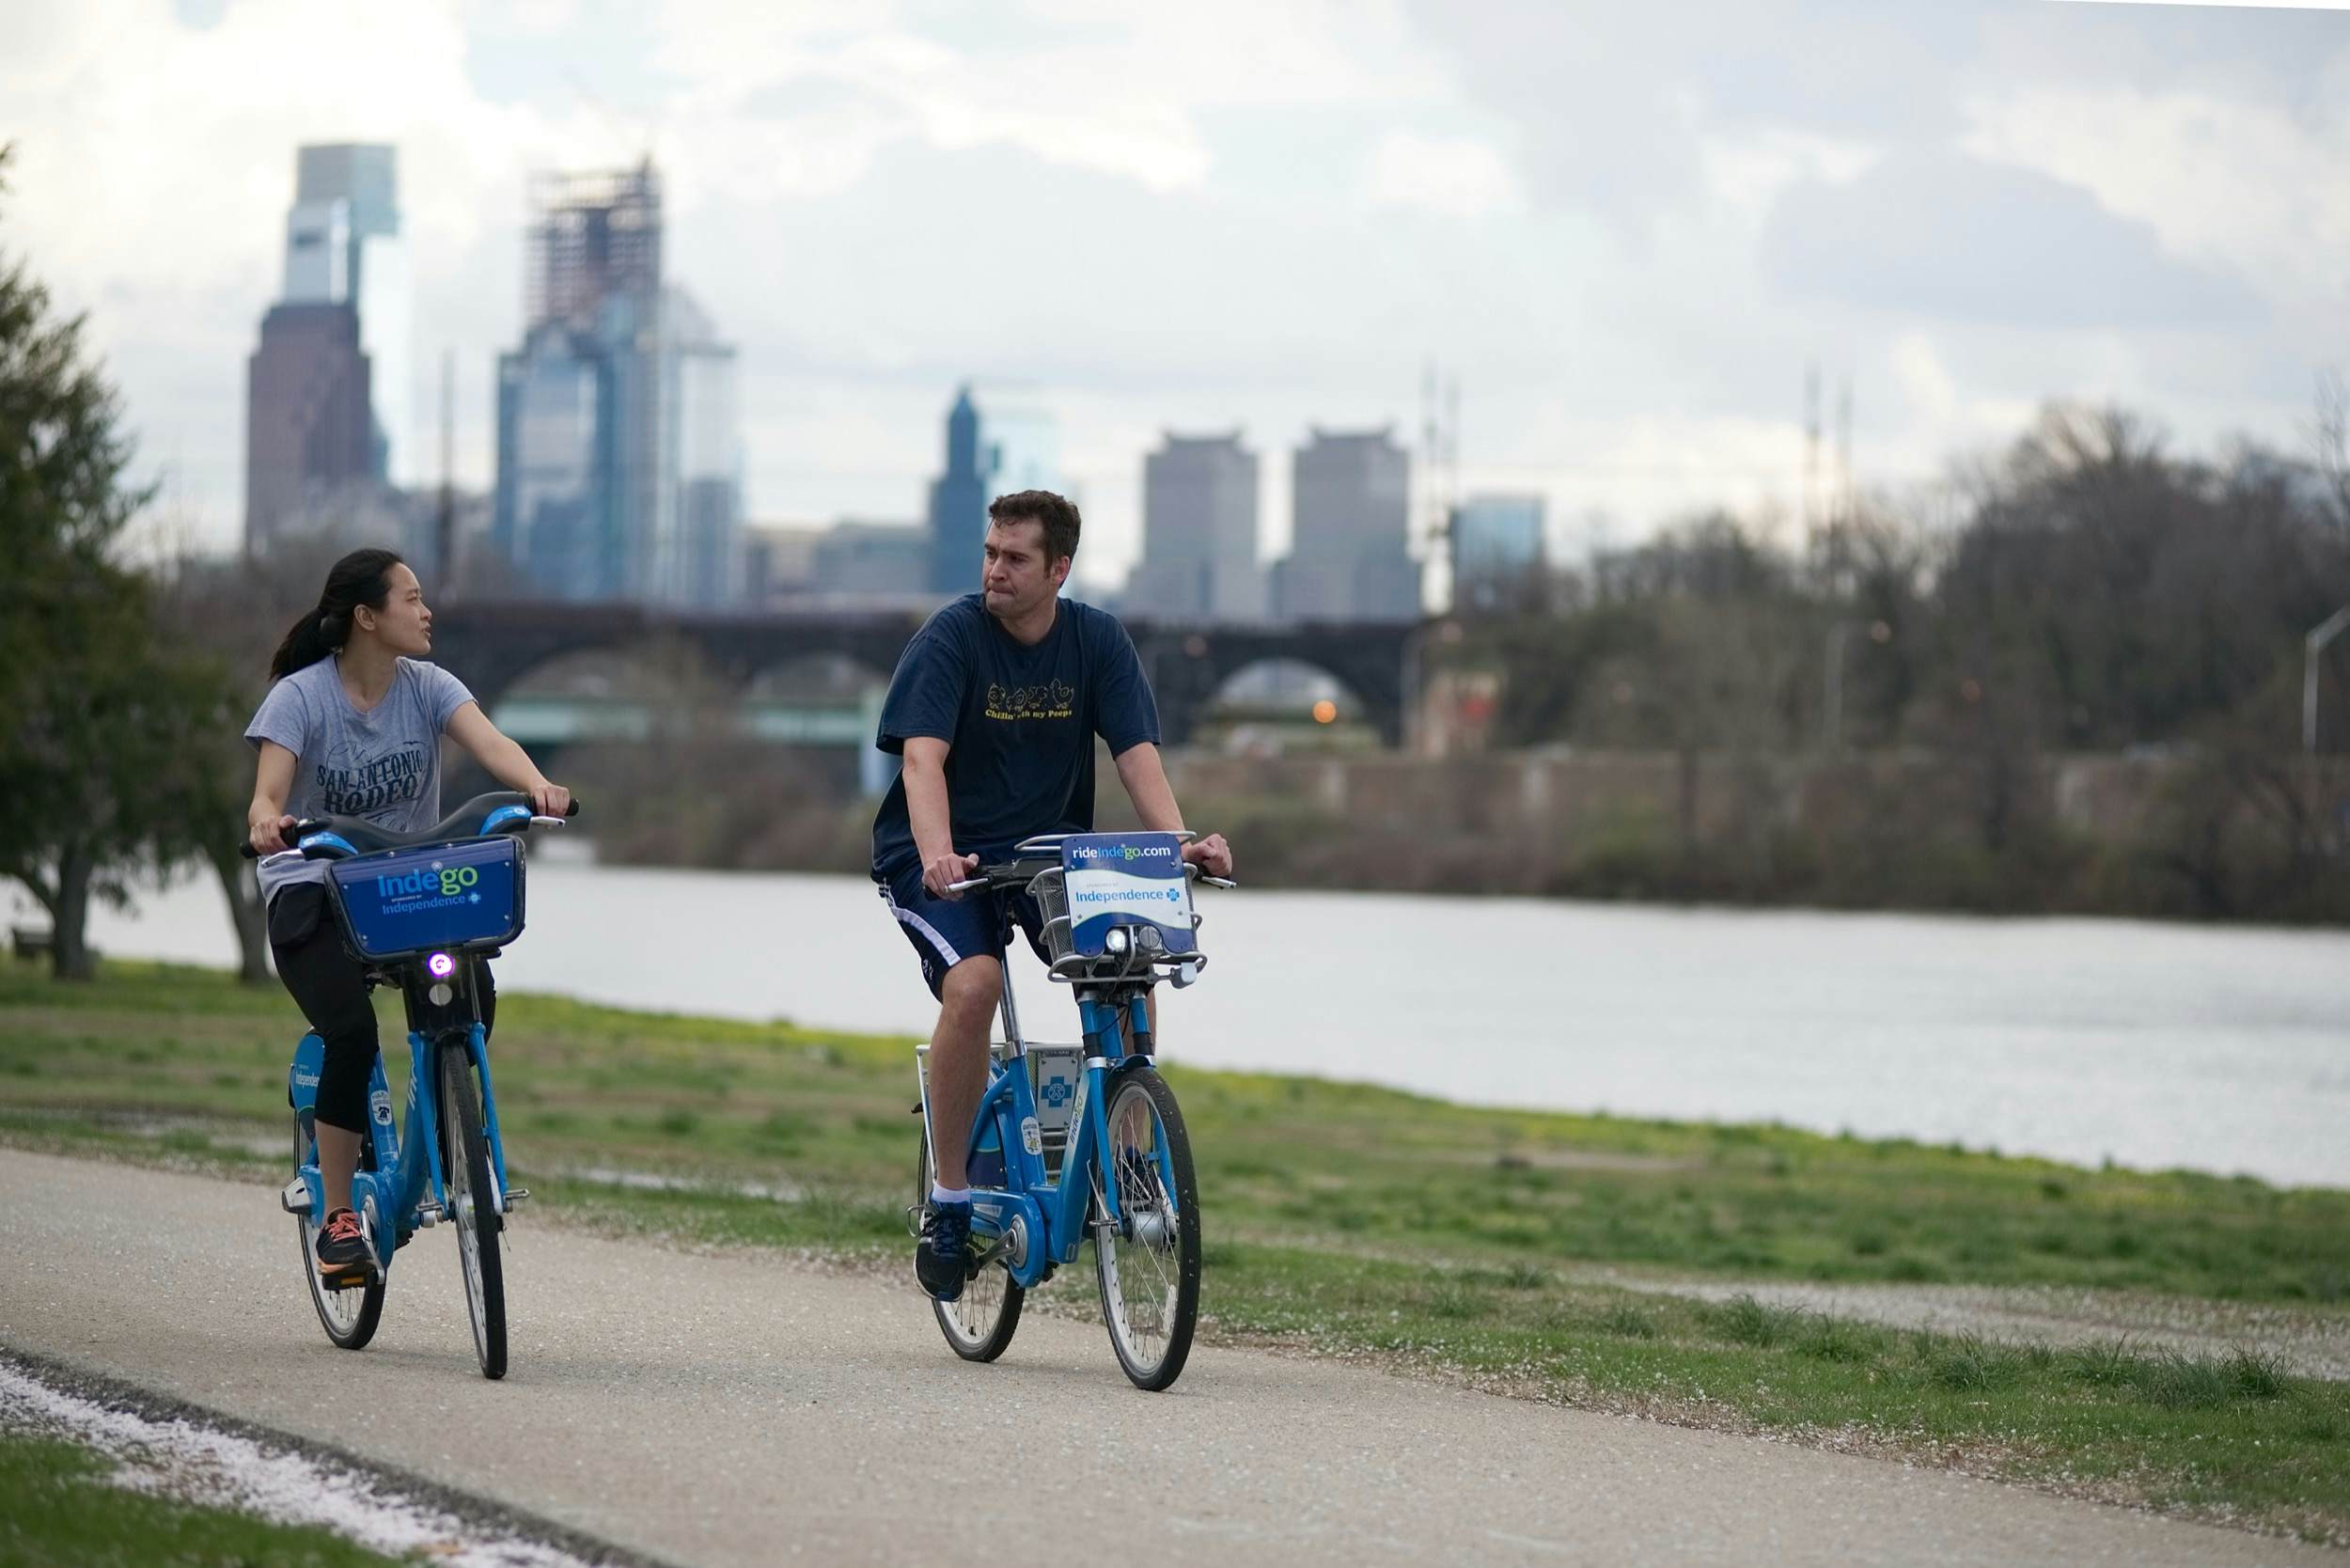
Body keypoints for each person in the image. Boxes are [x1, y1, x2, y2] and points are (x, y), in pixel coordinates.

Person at [870, 490, 1233, 1301]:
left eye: (1016, 558)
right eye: (991, 553)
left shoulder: (1098, 642)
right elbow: (921, 762)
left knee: (1129, 966)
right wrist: (935, 855)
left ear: (1058, 569)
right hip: (942, 857)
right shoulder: (951, 638)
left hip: (1046, 858)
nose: (996, 569)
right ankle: (952, 1201)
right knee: (976, 985)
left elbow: (1138, 759)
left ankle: (1134, 1162)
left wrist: (1182, 844)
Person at [244, 547, 571, 1281]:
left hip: (401, 883)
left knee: (473, 997)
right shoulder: (300, 698)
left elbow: (492, 745)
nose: (427, 613)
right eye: (412, 600)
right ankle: (335, 1216)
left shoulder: (428, 687)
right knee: (352, 1033)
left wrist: (539, 786)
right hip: (313, 887)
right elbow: (268, 793)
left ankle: (456, 1141)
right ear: (366, 617)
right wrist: (268, 818)